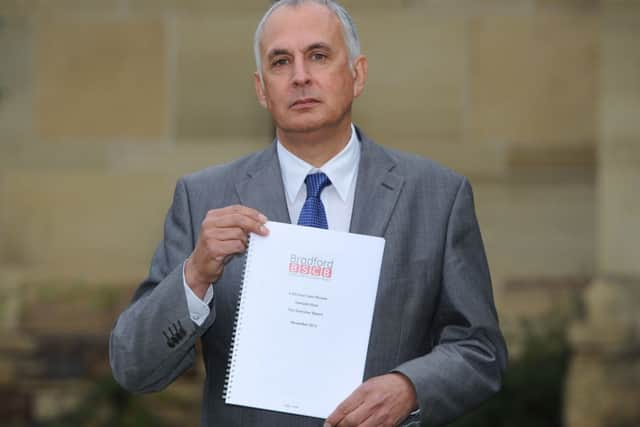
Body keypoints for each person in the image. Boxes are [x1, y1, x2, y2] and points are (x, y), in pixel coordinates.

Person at [109, 1, 507, 426]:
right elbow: (133, 365)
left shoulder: (437, 196)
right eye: (281, 62)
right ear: (262, 89)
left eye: (318, 56)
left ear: (357, 74)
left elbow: (480, 349)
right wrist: (195, 276)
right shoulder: (203, 197)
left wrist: (411, 387)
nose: (300, 76)